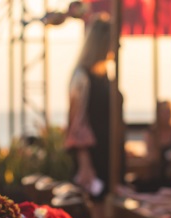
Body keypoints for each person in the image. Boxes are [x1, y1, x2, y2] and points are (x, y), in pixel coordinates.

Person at [65, 14, 122, 199]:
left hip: (110, 155)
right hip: (95, 159)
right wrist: (85, 164)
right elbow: (77, 124)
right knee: (100, 214)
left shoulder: (105, 77)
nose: (118, 47)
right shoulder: (83, 78)